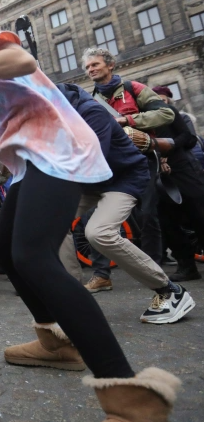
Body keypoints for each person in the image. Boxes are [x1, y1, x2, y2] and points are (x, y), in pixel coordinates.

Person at [0, 0, 180, 421]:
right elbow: (15, 98)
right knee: (8, 251)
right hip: (35, 158)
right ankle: (54, 341)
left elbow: (22, 63)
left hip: (54, 152)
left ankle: (127, 391)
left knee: (34, 256)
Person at [57, 83, 194, 324]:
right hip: (91, 181)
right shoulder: (53, 112)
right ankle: (72, 300)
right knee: (52, 223)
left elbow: (91, 156)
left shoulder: (90, 111)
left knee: (98, 233)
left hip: (122, 178)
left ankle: (169, 291)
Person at [83, 48, 174, 283]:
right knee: (93, 217)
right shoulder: (91, 100)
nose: (90, 69)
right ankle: (101, 274)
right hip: (111, 163)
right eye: (87, 67)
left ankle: (154, 269)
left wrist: (127, 119)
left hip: (141, 159)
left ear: (110, 65)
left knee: (147, 214)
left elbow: (166, 114)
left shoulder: (135, 89)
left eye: (95, 64)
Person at [151, 86, 204, 281]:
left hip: (183, 169)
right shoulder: (136, 120)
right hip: (160, 176)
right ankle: (187, 266)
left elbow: (188, 138)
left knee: (199, 215)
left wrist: (167, 149)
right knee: (168, 222)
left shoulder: (169, 112)